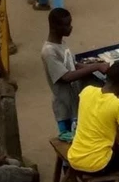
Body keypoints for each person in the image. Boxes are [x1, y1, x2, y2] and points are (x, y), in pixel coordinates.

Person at [41, 8, 104, 140]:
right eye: (67, 25)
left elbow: (73, 64)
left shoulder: (61, 44)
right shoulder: (49, 52)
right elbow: (66, 76)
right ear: (55, 27)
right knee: (69, 142)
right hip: (64, 108)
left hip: (74, 102)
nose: (71, 27)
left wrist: (97, 68)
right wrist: (95, 66)